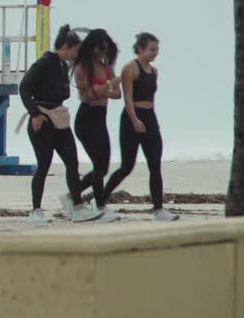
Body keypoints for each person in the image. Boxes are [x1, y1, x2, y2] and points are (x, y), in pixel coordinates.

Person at [18, 24, 102, 223]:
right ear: (65, 46)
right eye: (75, 50)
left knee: (72, 162)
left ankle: (78, 208)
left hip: (60, 120)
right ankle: (36, 211)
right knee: (44, 166)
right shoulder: (44, 63)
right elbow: (24, 88)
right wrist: (35, 114)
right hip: (43, 120)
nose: (76, 54)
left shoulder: (63, 66)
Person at [103, 32, 179, 221]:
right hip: (131, 119)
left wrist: (148, 120)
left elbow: (150, 97)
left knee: (155, 164)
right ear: (140, 49)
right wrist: (135, 120)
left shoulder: (154, 71)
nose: (155, 53)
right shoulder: (130, 68)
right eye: (152, 49)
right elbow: (127, 97)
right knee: (127, 166)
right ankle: (100, 200)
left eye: (157, 49)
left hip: (150, 118)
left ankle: (158, 210)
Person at [72, 29, 121, 221]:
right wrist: (108, 86)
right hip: (86, 118)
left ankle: (73, 194)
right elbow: (87, 95)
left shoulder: (107, 67)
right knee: (98, 164)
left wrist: (103, 89)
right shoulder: (82, 67)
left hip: (101, 117)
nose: (102, 53)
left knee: (104, 166)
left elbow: (117, 94)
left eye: (105, 50)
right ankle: (99, 205)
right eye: (99, 49)